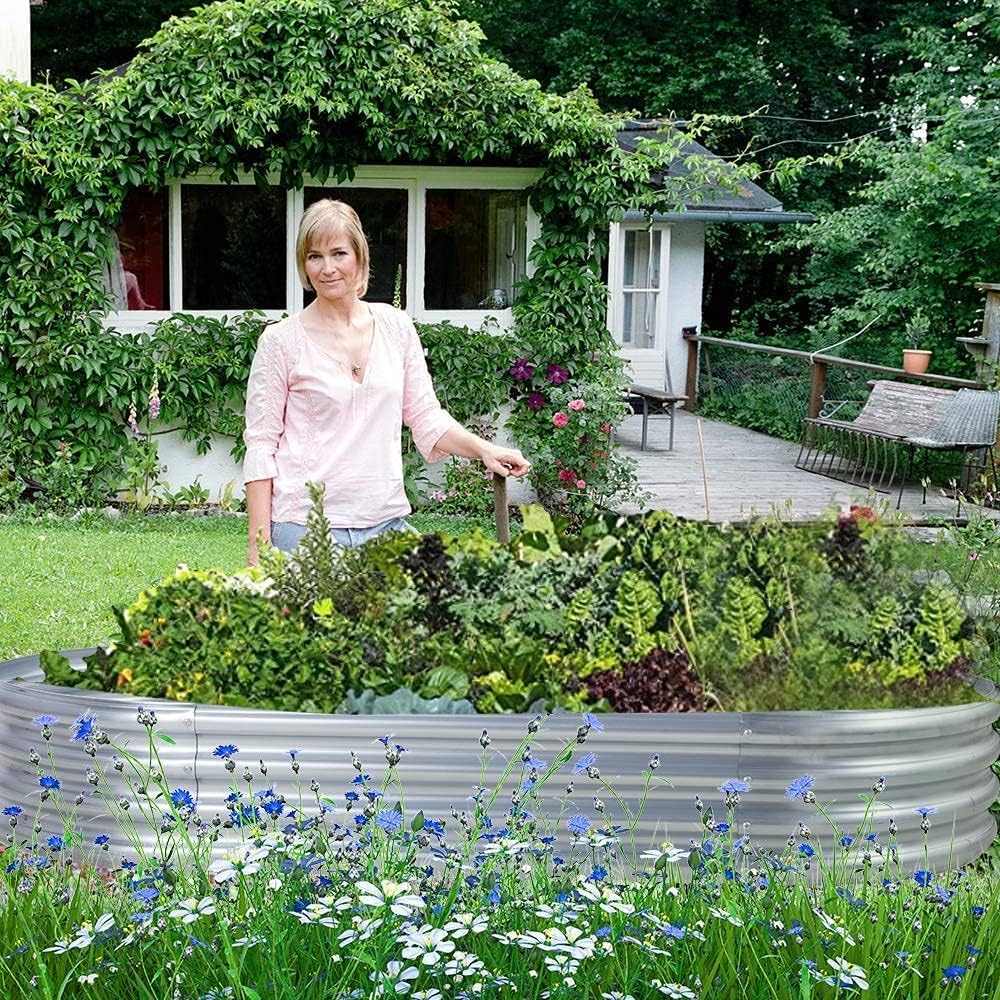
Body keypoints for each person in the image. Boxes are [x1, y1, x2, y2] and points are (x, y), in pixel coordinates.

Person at [243, 199, 531, 565]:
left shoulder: (396, 327)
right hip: (304, 527)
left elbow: (426, 418)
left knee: (437, 605)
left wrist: (485, 450)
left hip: (384, 524)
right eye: (314, 256)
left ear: (360, 258)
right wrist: (258, 547)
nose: (327, 268)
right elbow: (262, 447)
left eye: (338, 253)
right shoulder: (281, 341)